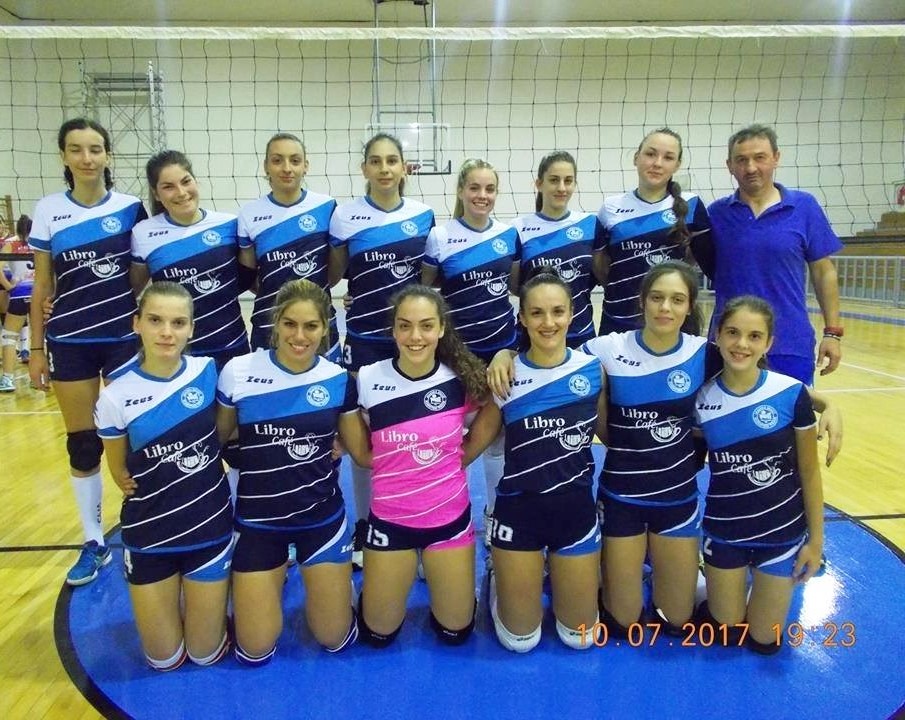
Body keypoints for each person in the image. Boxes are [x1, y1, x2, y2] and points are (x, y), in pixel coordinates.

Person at [215, 279, 371, 664]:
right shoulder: (238, 372)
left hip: (320, 519)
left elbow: (363, 454)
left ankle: (338, 588)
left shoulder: (337, 380)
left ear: (325, 328)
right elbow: (217, 440)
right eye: (290, 324)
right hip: (258, 523)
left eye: (311, 326)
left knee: (335, 638)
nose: (299, 336)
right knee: (254, 649)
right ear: (275, 322)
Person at [28, 118, 148, 586]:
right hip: (70, 340)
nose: (86, 158)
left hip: (122, 338)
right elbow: (42, 285)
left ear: (107, 155)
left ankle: (143, 525)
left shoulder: (131, 210)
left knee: (134, 438)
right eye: (76, 149)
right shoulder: (49, 209)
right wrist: (36, 348)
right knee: (83, 444)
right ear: (63, 156)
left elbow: (142, 274)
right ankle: (93, 541)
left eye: (95, 149)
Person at [94, 282, 233, 671]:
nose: (167, 332)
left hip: (208, 528)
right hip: (150, 534)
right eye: (155, 320)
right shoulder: (116, 395)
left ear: (192, 328)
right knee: (164, 659)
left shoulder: (210, 372)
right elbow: (119, 469)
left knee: (204, 655)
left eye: (178, 322)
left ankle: (208, 608)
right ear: (136, 323)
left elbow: (226, 433)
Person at [355, 284, 497, 647]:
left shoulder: (461, 379)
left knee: (456, 632)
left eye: (426, 325)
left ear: (441, 328)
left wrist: (463, 455)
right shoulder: (368, 379)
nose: (415, 336)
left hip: (448, 521)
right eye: (405, 326)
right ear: (393, 330)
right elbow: (356, 443)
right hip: (390, 521)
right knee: (378, 634)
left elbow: (494, 407)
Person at [482, 267, 604, 652]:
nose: (548, 322)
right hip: (519, 512)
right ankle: (498, 578)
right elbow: (472, 445)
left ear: (572, 314)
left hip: (575, 513)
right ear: (521, 318)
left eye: (557, 311)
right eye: (536, 313)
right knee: (520, 640)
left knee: (580, 637)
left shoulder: (593, 369)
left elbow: (613, 437)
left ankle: (555, 572)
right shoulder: (506, 374)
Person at [694, 296, 825, 654]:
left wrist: (815, 543)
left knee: (765, 640)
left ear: (769, 343)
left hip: (781, 533)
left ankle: (750, 588)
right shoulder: (701, 399)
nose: (742, 344)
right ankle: (714, 588)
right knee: (726, 628)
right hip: (725, 530)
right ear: (717, 335)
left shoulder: (790, 394)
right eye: (733, 333)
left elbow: (810, 473)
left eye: (754, 336)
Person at [329, 133, 435, 566]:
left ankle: (417, 519)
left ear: (404, 167)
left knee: (413, 431)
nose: (385, 168)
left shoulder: (423, 216)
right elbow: (334, 276)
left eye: (393, 160)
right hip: (364, 340)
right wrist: (353, 297)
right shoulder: (345, 217)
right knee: (364, 431)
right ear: (365, 169)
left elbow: (428, 281)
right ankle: (365, 523)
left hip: (409, 341)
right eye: (376, 161)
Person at [699, 123, 843, 385]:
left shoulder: (804, 207)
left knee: (791, 411)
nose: (751, 168)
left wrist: (832, 333)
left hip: (789, 344)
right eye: (741, 160)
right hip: (730, 345)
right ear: (729, 165)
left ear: (776, 158)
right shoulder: (716, 214)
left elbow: (824, 272)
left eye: (760, 157)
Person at [421, 157, 517, 547]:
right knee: (446, 441)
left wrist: (509, 351)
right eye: (474, 187)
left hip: (499, 357)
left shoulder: (509, 235)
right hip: (454, 359)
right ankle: (440, 517)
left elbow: (516, 289)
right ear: (461, 191)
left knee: (497, 441)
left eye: (489, 188)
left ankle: (495, 517)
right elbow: (426, 292)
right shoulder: (440, 237)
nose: (482, 195)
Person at [130, 149, 250, 373]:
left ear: (196, 181)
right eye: (168, 186)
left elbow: (253, 280)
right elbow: (132, 290)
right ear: (156, 194)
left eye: (186, 181)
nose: (181, 192)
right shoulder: (143, 233)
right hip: (177, 354)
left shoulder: (229, 225)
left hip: (232, 347)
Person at [594, 128, 711, 334]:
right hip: (619, 319)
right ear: (636, 158)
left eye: (668, 157)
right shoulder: (611, 207)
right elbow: (601, 267)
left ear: (677, 165)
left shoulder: (692, 205)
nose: (657, 163)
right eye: (650, 154)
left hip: (671, 321)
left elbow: (700, 259)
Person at [237, 133, 342, 358]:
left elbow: (335, 268)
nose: (287, 168)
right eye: (277, 160)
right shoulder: (249, 214)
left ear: (306, 166)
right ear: (266, 166)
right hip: (269, 321)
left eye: (295, 160)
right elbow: (250, 276)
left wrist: (315, 290)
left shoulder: (327, 207)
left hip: (319, 320)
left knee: (327, 380)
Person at [511, 150, 604, 348]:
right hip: (536, 335)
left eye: (568, 181)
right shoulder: (518, 229)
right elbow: (516, 286)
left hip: (580, 332)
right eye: (554, 180)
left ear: (575, 184)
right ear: (539, 184)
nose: (562, 188)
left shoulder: (590, 224)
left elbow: (600, 275)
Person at [0, 214, 33, 392]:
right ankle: (48, 375)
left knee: (8, 336)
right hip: (39, 295)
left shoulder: (10, 245)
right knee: (44, 336)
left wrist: (9, 287)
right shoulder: (39, 244)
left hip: (20, 294)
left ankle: (7, 379)